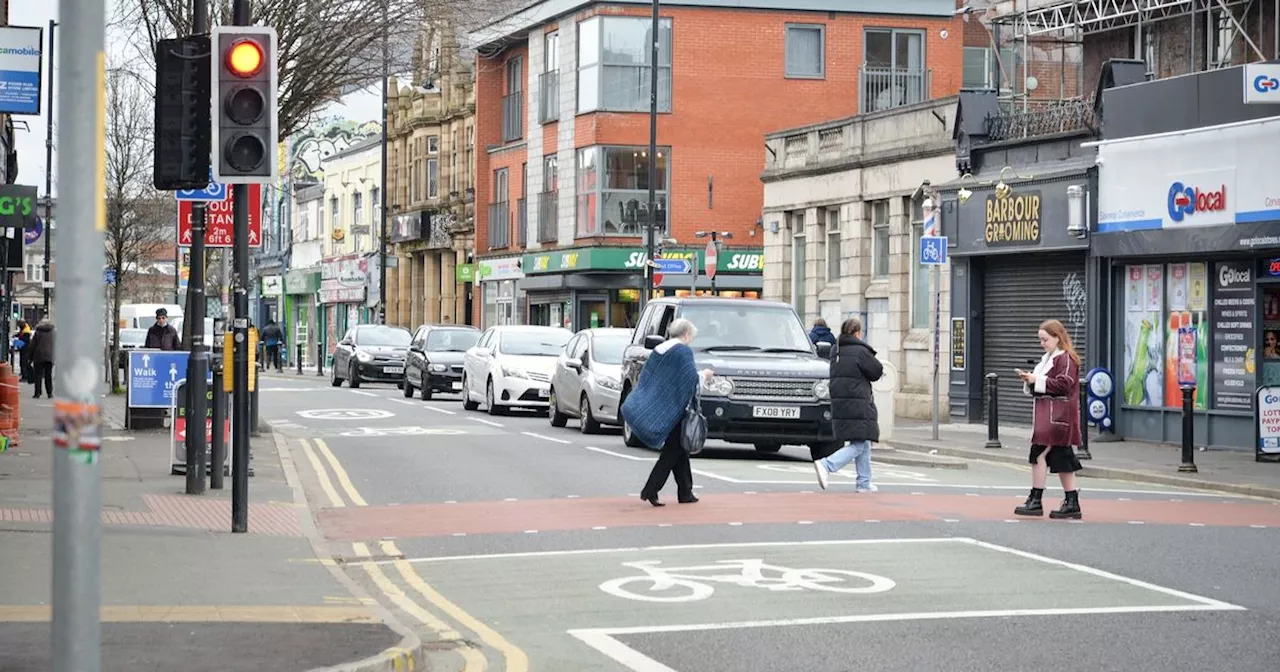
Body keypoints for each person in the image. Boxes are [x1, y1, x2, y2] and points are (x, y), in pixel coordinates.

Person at [621, 318, 714, 507]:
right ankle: (651, 489)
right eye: (691, 336)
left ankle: (685, 491)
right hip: (674, 409)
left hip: (664, 405)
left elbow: (651, 379)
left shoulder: (659, 350)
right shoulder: (682, 351)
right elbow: (690, 381)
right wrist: (705, 375)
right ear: (686, 334)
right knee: (673, 451)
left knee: (680, 449)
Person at [1013, 319, 1084, 520]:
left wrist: (1037, 380)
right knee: (1061, 457)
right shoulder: (1049, 358)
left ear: (1057, 337)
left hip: (1059, 416)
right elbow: (1048, 384)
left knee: (1041, 454)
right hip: (1049, 417)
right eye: (1040, 340)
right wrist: (1031, 380)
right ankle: (1070, 502)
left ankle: (1037, 500)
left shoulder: (1066, 359)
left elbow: (1065, 385)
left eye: (1045, 339)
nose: (1042, 343)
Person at [812, 317, 883, 493]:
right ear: (858, 333)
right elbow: (876, 371)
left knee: (863, 441)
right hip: (858, 403)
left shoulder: (836, 350)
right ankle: (826, 465)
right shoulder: (860, 351)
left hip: (841, 402)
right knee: (858, 444)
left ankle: (864, 482)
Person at [28, 318, 54, 399]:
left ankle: (37, 393)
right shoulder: (53, 333)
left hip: (38, 356)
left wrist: (30, 357)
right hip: (50, 357)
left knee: (38, 376)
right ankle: (49, 393)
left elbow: (33, 345)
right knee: (48, 376)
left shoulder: (38, 332)